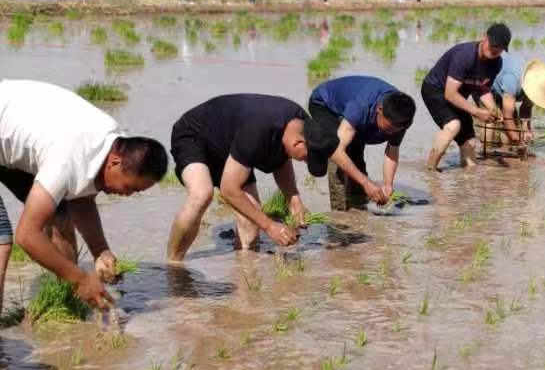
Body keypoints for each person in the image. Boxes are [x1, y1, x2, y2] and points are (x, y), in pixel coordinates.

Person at [0, 80, 168, 313]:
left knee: (60, 217)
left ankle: (66, 302)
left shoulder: (112, 141)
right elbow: (27, 236)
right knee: (2, 242)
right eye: (130, 187)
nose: (127, 195)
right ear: (115, 162)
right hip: (8, 124)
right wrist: (80, 279)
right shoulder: (66, 161)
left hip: (13, 138)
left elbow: (81, 194)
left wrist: (101, 250)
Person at [167, 95, 311, 262]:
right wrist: (270, 226)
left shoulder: (301, 125)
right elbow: (229, 191)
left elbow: (281, 160)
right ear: (298, 143)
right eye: (307, 158)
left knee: (251, 215)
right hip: (194, 134)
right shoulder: (257, 130)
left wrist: (293, 198)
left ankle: (245, 273)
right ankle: (173, 265)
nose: (306, 162)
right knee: (202, 194)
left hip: (233, 146)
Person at [305, 76, 416, 210]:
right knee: (331, 161)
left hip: (355, 118)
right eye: (388, 128)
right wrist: (366, 182)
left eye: (395, 130)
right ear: (379, 110)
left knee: (356, 155)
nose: (391, 133)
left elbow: (392, 150)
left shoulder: (401, 119)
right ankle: (339, 213)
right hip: (325, 105)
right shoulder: (360, 108)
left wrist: (388, 184)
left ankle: (358, 203)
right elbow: (337, 152)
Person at [421, 23, 511, 170]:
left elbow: (482, 89)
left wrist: (494, 109)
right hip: (435, 89)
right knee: (453, 126)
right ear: (484, 38)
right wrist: (477, 112)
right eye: (493, 45)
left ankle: (469, 179)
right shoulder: (464, 56)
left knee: (470, 142)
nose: (495, 49)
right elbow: (450, 94)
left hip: (459, 95)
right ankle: (431, 172)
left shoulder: (496, 63)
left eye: (499, 48)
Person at [479, 54, 545, 151]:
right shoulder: (513, 80)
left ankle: (505, 153)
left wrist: (526, 130)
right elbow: (507, 117)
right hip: (485, 84)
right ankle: (486, 155)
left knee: (511, 130)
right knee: (491, 119)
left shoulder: (537, 83)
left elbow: (526, 108)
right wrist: (518, 141)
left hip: (505, 90)